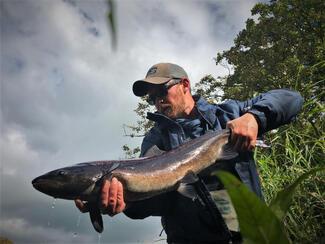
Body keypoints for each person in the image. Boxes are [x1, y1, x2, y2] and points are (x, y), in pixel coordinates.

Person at [75, 63, 303, 243]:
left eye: (163, 90)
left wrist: (253, 117)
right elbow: (158, 202)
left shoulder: (227, 114)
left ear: (185, 84)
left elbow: (291, 99)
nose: (158, 101)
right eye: (152, 98)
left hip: (252, 235)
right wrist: (128, 203)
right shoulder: (155, 141)